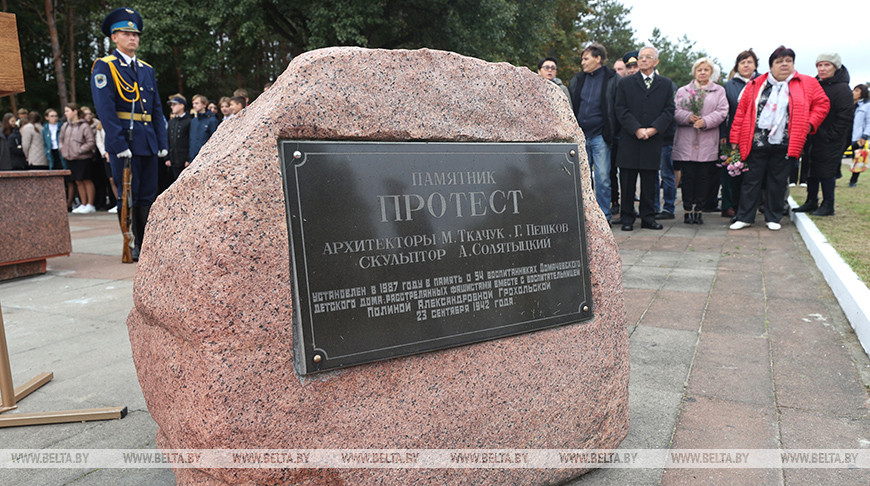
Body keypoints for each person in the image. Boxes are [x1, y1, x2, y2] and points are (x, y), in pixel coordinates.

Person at [91, 7, 168, 260]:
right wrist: (117, 141)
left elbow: (156, 108)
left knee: (148, 195)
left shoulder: (146, 69)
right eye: (126, 34)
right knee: (128, 194)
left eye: (135, 34)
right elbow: (106, 109)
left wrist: (161, 140)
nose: (132, 38)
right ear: (114, 37)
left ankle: (147, 244)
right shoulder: (105, 67)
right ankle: (131, 244)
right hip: (125, 140)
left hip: (146, 141)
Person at [730, 46, 830, 231]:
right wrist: (735, 138)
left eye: (788, 61)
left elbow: (822, 104)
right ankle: (744, 217)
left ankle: (773, 217)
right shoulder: (756, 84)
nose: (784, 64)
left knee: (777, 181)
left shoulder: (806, 83)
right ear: (771, 66)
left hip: (786, 142)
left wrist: (809, 124)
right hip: (756, 141)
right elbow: (741, 113)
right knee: (751, 180)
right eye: (779, 61)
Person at [613, 46, 675, 231]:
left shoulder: (665, 84)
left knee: (649, 181)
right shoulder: (625, 83)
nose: (643, 60)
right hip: (630, 139)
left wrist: (654, 129)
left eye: (648, 57)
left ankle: (648, 218)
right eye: (641, 57)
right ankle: (627, 218)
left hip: (653, 139)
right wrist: (637, 129)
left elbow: (669, 110)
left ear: (656, 61)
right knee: (627, 181)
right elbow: (620, 109)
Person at [792, 53, 854, 217]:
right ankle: (811, 200)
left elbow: (845, 117)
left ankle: (828, 204)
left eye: (826, 65)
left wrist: (830, 135)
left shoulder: (842, 89)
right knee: (811, 169)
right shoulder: (816, 84)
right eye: (819, 65)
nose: (822, 69)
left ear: (835, 67)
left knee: (826, 171)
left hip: (831, 138)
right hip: (813, 135)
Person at [672, 58, 729, 224]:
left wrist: (705, 121)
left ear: (711, 72)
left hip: (707, 140)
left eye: (706, 70)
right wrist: (689, 118)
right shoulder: (684, 90)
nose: (702, 72)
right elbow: (675, 110)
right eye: (699, 70)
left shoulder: (719, 91)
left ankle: (700, 210)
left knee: (704, 177)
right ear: (694, 72)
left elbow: (722, 111)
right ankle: (688, 210)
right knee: (688, 177)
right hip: (686, 139)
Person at [569, 43, 618, 222]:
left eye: (586, 58)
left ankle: (603, 216)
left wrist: (612, 131)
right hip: (580, 137)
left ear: (598, 58)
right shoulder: (577, 79)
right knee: (581, 179)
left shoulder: (613, 78)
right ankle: (585, 216)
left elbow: (617, 107)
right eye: (582, 58)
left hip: (601, 136)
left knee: (603, 178)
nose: (582, 62)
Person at [720, 49, 760, 221]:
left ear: (755, 65)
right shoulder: (729, 86)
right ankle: (731, 206)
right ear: (737, 66)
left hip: (756, 136)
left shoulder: (762, 83)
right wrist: (723, 133)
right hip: (733, 136)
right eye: (742, 62)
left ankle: (749, 207)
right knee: (731, 173)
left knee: (751, 174)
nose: (746, 65)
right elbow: (724, 112)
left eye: (749, 62)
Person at [611, 50, 640, 216]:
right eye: (628, 67)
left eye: (634, 66)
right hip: (619, 136)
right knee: (619, 175)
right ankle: (621, 207)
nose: (631, 69)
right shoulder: (618, 85)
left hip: (640, 134)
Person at [60, 103, 97, 214]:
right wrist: (63, 149)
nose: (65, 113)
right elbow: (61, 140)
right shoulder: (65, 126)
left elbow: (90, 142)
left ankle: (90, 204)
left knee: (86, 180)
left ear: (75, 111)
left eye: (67, 111)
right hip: (70, 157)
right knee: (78, 181)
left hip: (83, 157)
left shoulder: (84, 126)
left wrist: (80, 150)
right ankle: (84, 203)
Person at [167, 94, 191, 180]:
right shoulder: (171, 122)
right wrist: (167, 158)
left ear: (182, 105)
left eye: (174, 104)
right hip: (173, 159)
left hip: (184, 159)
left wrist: (189, 158)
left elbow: (190, 140)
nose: (172, 107)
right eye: (171, 105)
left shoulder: (189, 121)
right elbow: (168, 139)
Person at [850, 84, 870, 187]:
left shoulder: (867, 105)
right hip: (845, 134)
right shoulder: (848, 103)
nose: (854, 92)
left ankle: (853, 181)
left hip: (858, 136)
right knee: (836, 154)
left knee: (858, 158)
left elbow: (869, 122)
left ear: (863, 93)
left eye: (857, 91)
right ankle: (836, 174)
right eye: (854, 90)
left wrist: (865, 136)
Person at [188, 94, 218, 163]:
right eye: (193, 103)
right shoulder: (193, 121)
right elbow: (191, 139)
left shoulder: (212, 120)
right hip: (193, 158)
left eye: (197, 103)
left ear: (204, 105)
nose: (194, 105)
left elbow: (215, 140)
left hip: (205, 158)